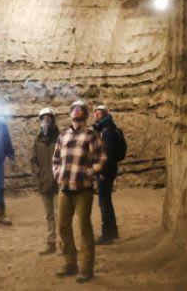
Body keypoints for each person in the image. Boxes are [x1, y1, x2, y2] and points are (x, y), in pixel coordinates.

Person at [52, 99, 107, 282]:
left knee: (84, 227)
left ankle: (86, 268)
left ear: (84, 114)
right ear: (70, 113)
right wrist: (58, 173)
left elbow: (101, 158)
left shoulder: (91, 135)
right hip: (65, 188)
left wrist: (90, 172)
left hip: (83, 189)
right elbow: (56, 160)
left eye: (80, 110)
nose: (76, 112)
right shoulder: (63, 136)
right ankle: (70, 263)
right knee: (63, 226)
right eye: (74, 110)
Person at [91, 105, 126, 244]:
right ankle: (113, 232)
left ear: (105, 115)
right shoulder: (108, 129)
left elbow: (108, 155)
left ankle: (107, 235)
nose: (96, 116)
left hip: (106, 171)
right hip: (108, 170)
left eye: (98, 114)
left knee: (104, 203)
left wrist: (103, 172)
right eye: (95, 113)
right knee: (106, 202)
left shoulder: (107, 131)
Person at [30, 106, 59, 255]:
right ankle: (51, 242)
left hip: (58, 184)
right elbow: (33, 160)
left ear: (53, 120)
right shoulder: (37, 141)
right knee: (49, 215)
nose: (46, 121)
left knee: (61, 215)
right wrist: (38, 174)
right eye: (43, 119)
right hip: (44, 183)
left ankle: (64, 243)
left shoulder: (60, 139)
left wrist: (60, 175)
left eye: (49, 118)